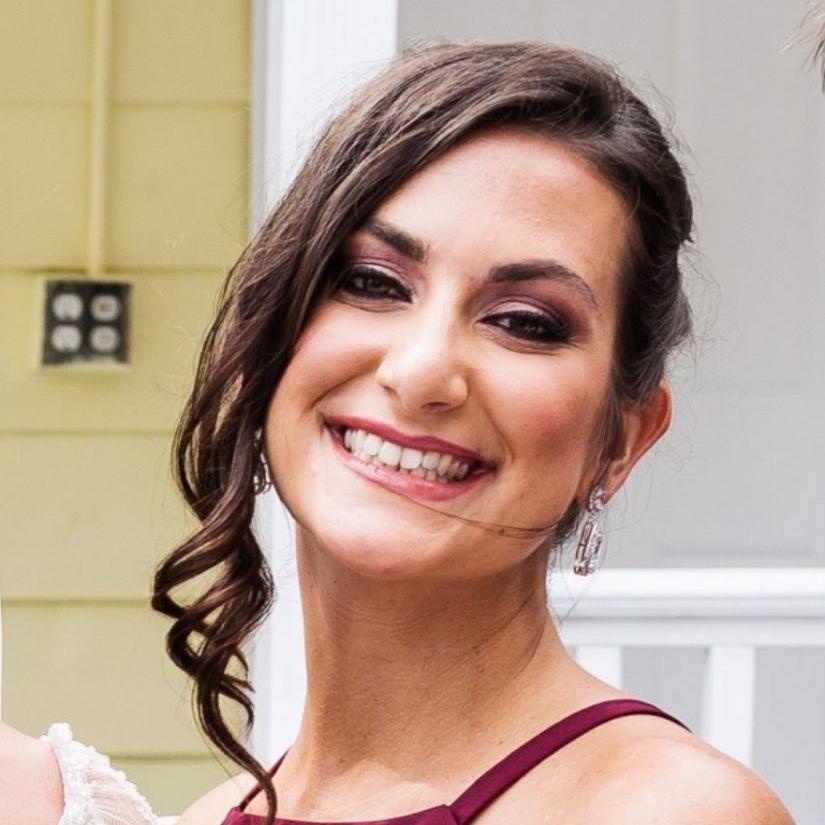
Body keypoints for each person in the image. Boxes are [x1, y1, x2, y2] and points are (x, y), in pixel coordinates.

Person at [151, 42, 796, 825]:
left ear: (622, 440)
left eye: (524, 322)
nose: (421, 370)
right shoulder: (208, 813)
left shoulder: (670, 810)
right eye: (372, 282)